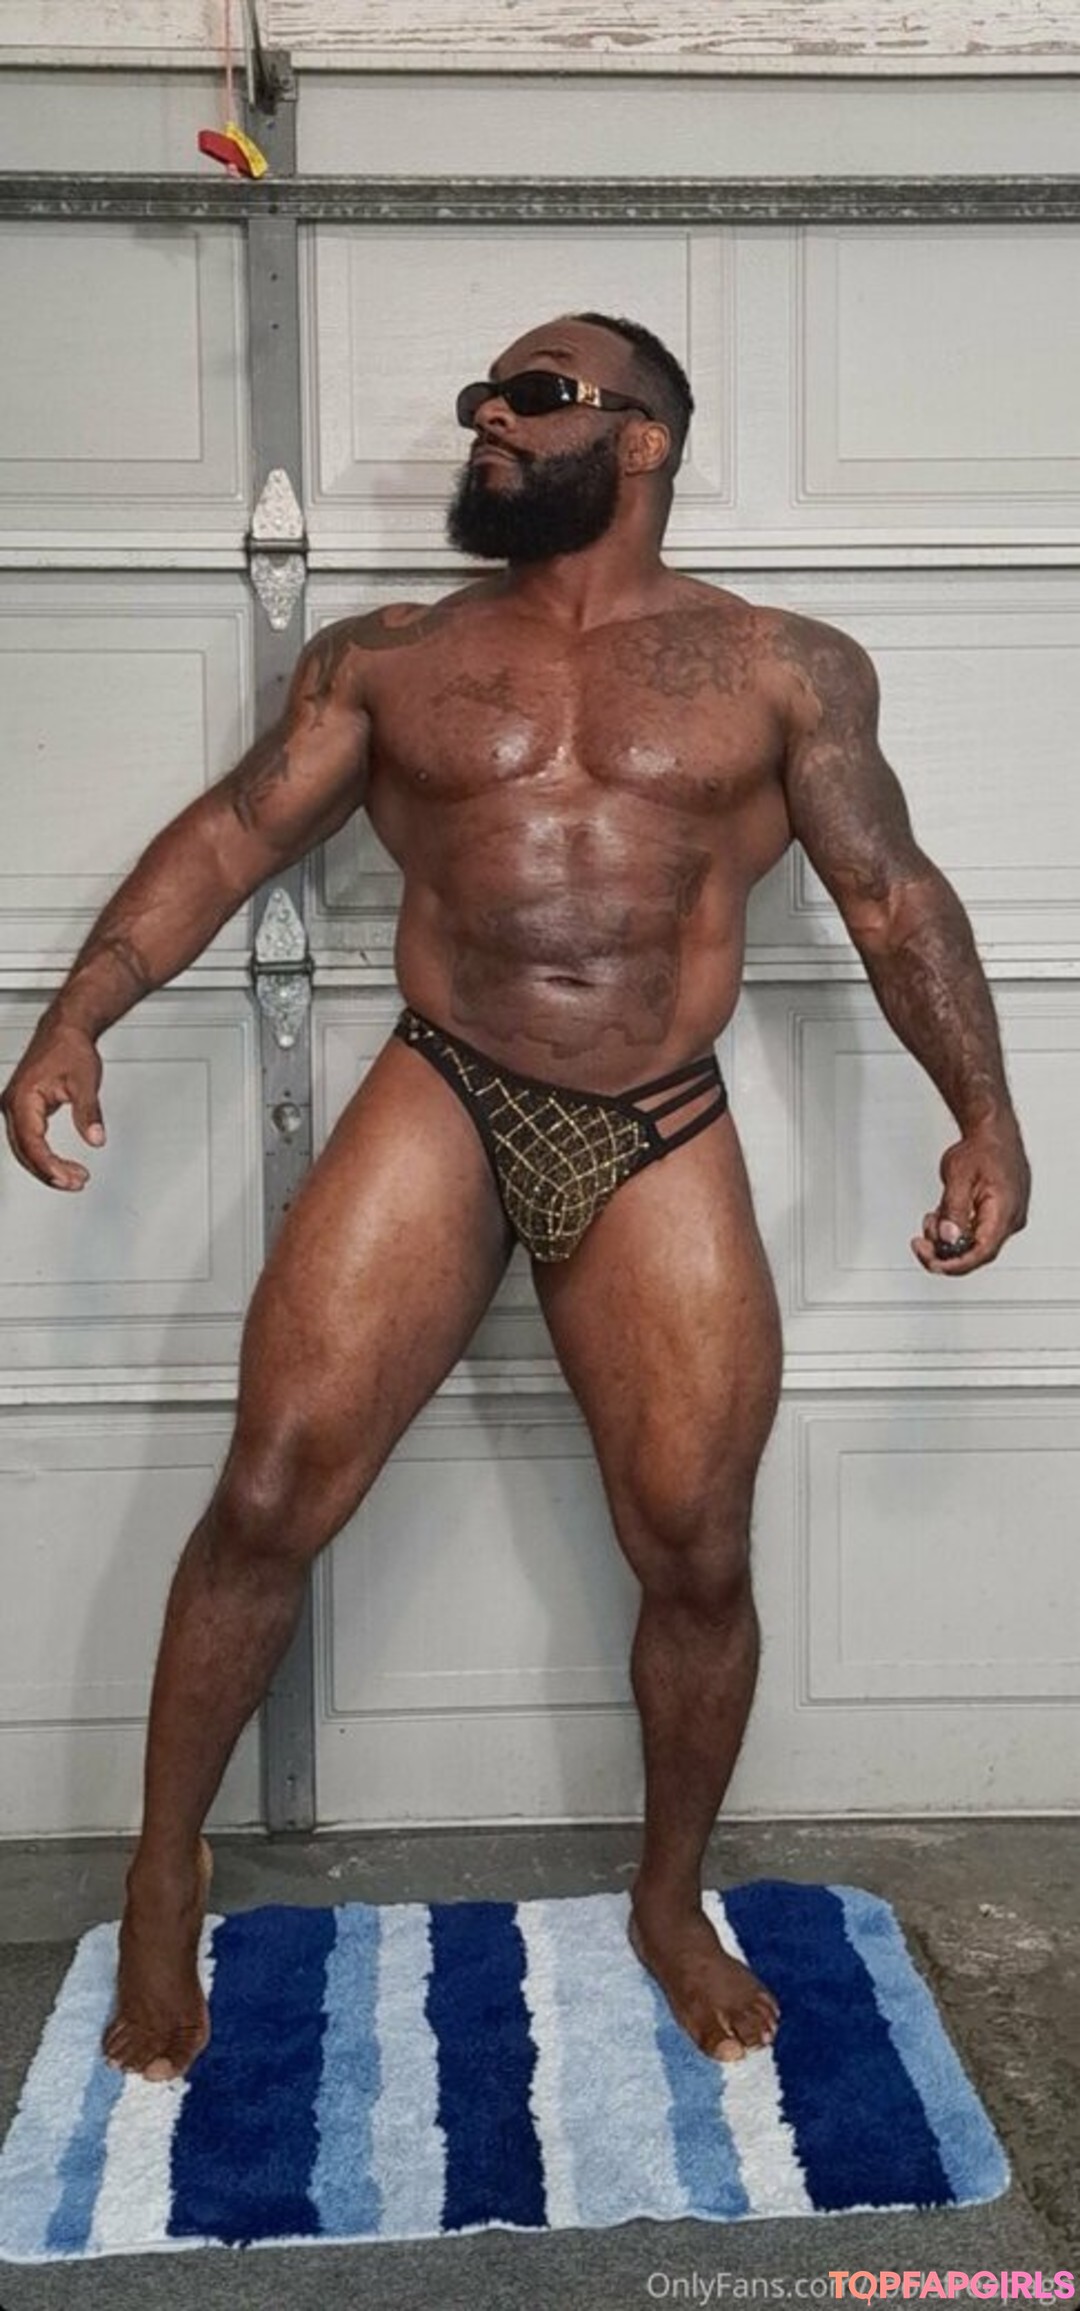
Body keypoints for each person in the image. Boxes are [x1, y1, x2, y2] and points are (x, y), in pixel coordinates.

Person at [2, 312, 1030, 2083]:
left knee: (695, 1545)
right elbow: (236, 833)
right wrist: (78, 1012)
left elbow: (891, 897)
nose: (488, 415)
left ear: (640, 441)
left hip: (657, 1116)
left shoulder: (783, 665)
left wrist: (986, 1116)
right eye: (481, 395)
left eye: (533, 396)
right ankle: (164, 1870)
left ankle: (667, 1896)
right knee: (269, 1488)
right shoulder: (389, 658)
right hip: (448, 1090)